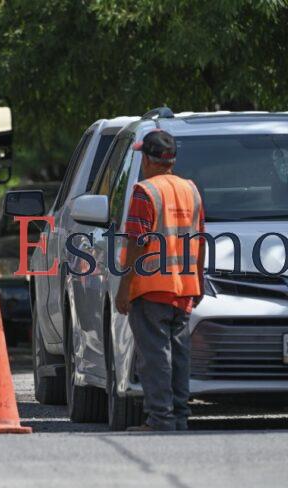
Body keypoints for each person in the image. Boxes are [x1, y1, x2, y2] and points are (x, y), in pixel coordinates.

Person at [116, 129, 206, 432]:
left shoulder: (146, 191)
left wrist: (124, 289)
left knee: (155, 358)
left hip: (152, 288)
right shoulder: (190, 190)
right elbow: (200, 239)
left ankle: (160, 420)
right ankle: (178, 417)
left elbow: (137, 242)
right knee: (179, 358)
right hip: (184, 289)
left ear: (148, 159)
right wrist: (200, 281)